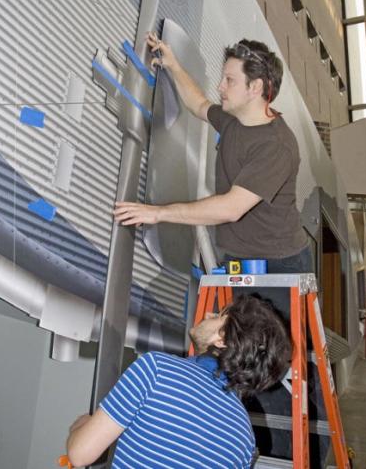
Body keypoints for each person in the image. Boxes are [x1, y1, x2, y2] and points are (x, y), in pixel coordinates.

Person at [113, 35, 312, 274]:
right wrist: (173, 65)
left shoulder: (276, 146)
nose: (220, 86)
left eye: (230, 80)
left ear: (255, 87)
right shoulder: (233, 120)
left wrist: (159, 213)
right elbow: (198, 104)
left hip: (278, 263)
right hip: (241, 255)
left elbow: (231, 208)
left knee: (252, 314)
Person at [66, 295, 291, 469]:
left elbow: (79, 454)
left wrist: (82, 424)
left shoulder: (156, 370)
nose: (210, 313)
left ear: (221, 341)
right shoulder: (244, 439)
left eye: (219, 315)